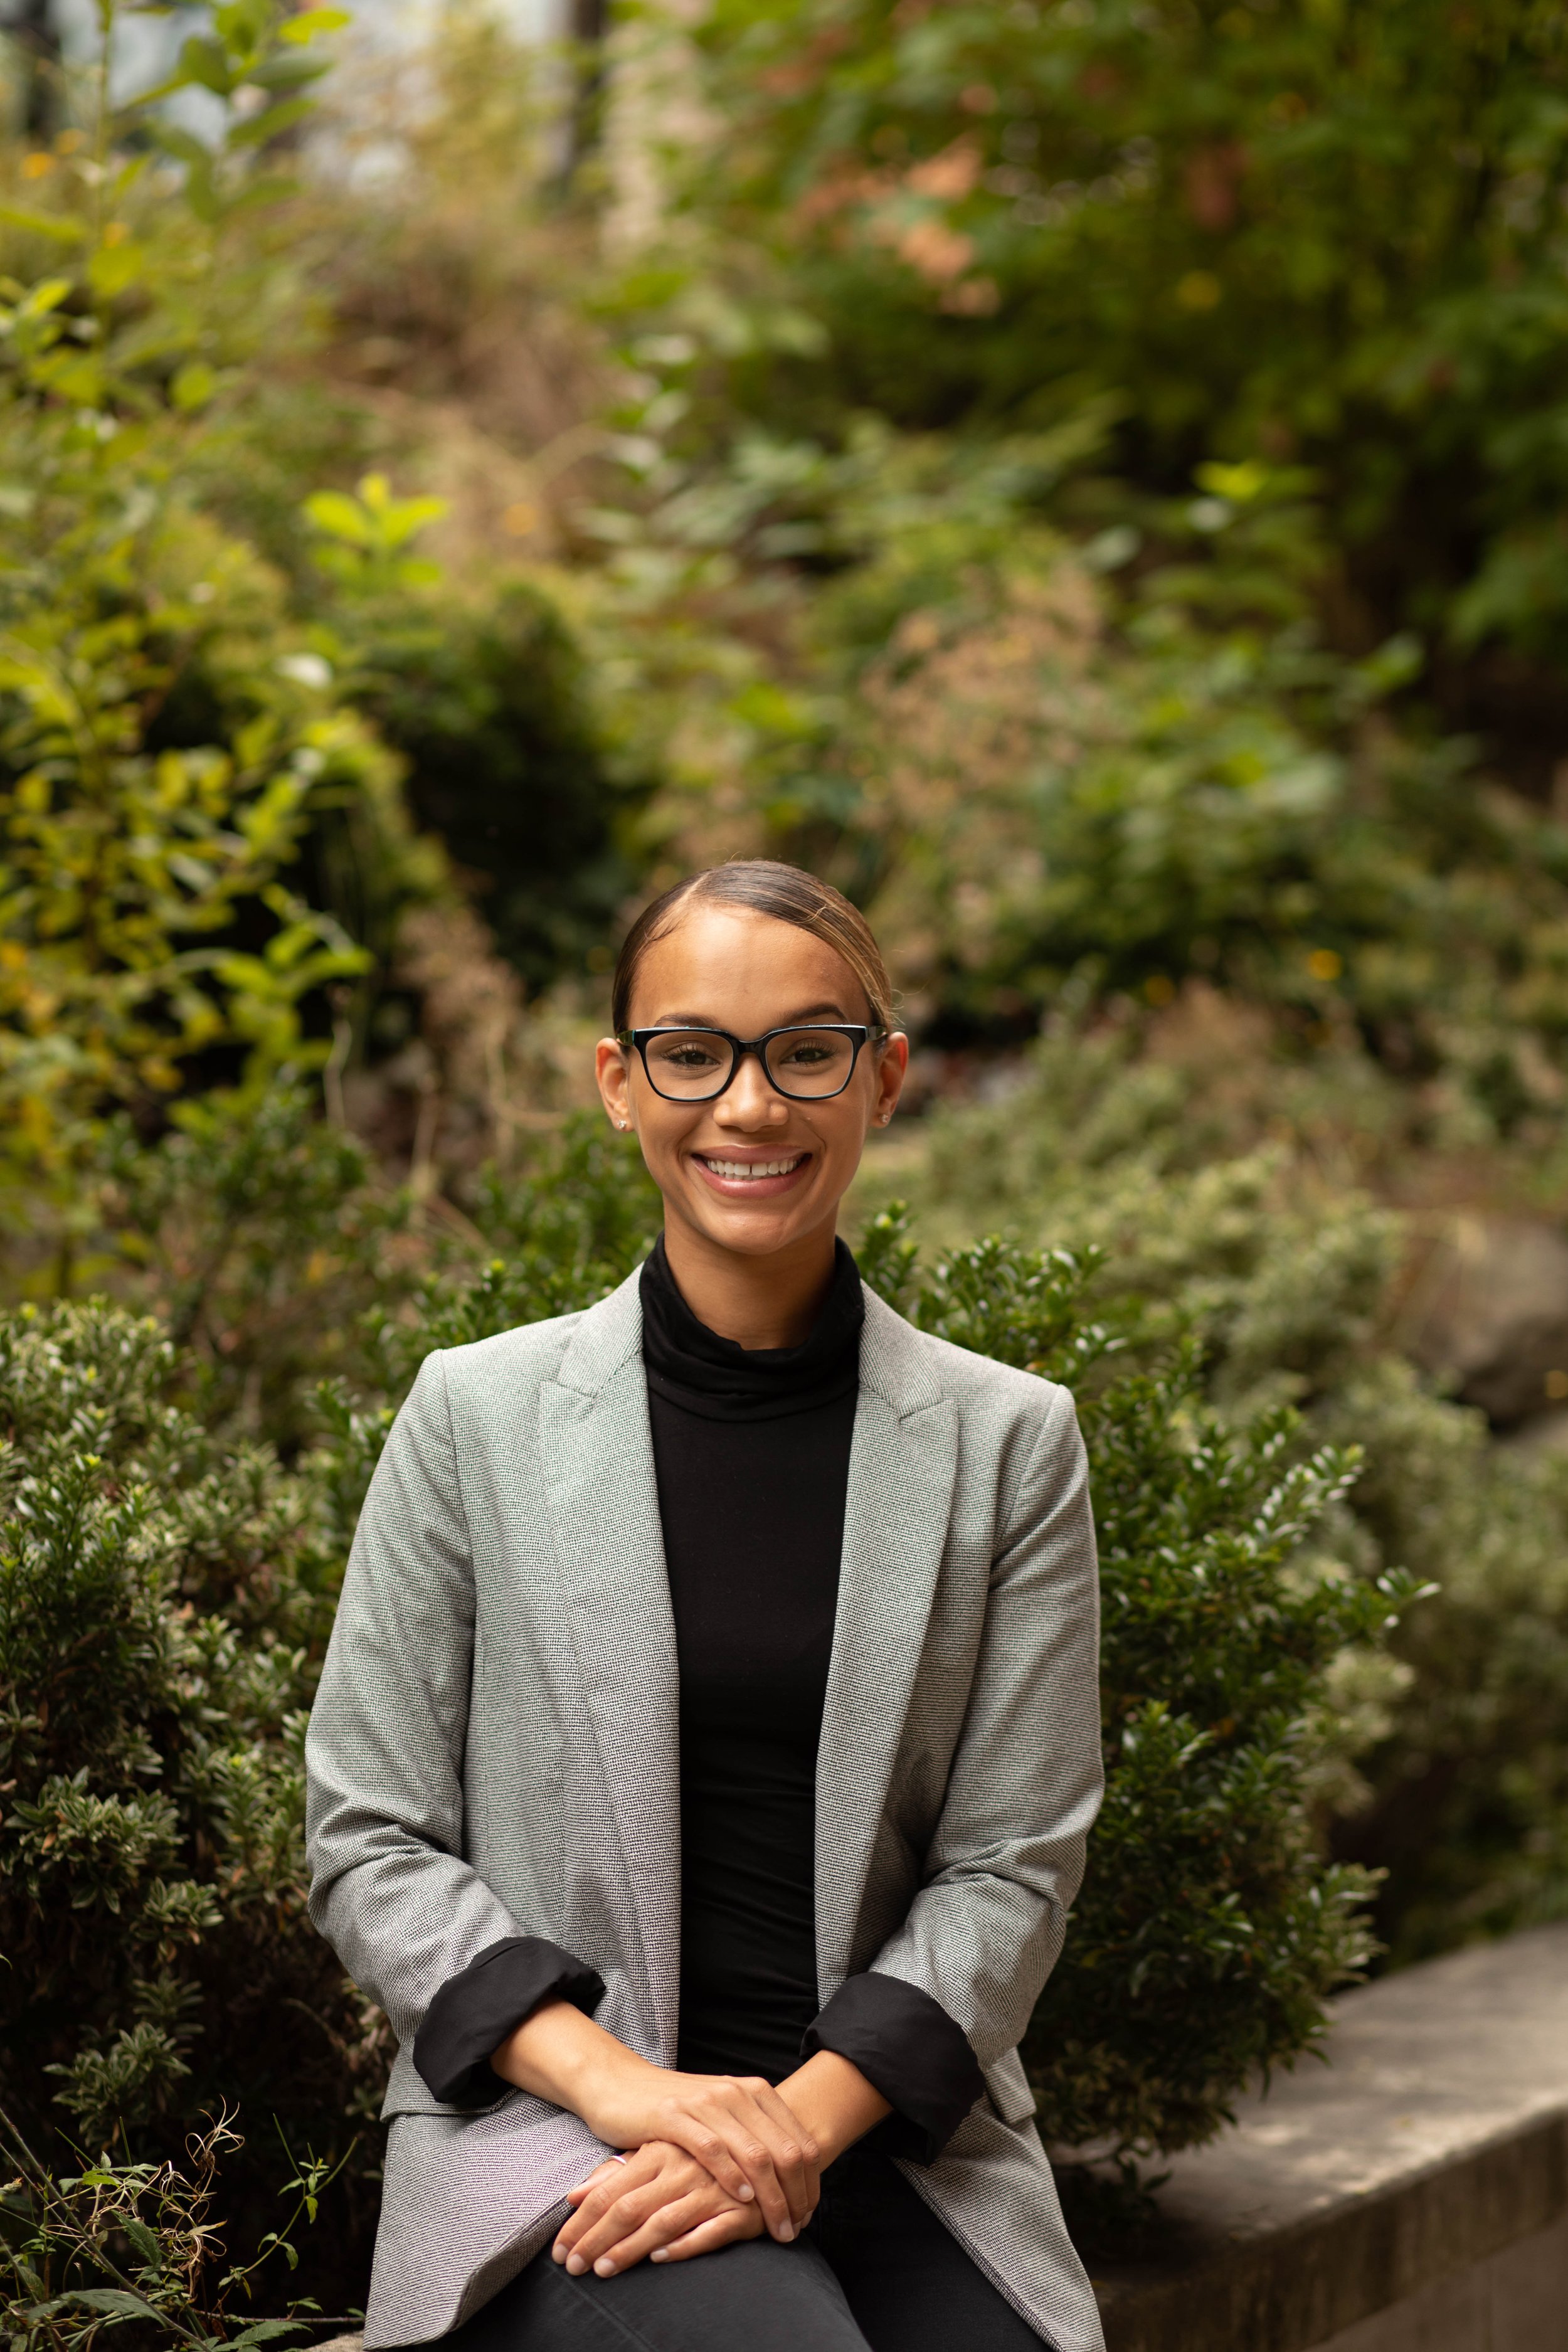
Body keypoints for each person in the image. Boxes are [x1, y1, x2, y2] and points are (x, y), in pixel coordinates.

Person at [305, 861, 1106, 2352]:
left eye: (805, 1050)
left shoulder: (1008, 1442)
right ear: (618, 1082)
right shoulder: (473, 1418)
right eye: (693, 1052)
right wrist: (631, 2091)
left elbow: (1011, 1862)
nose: (748, 1105)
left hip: (884, 2132)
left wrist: (788, 2125)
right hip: (553, 2137)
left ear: (884, 1080)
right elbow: (370, 1832)